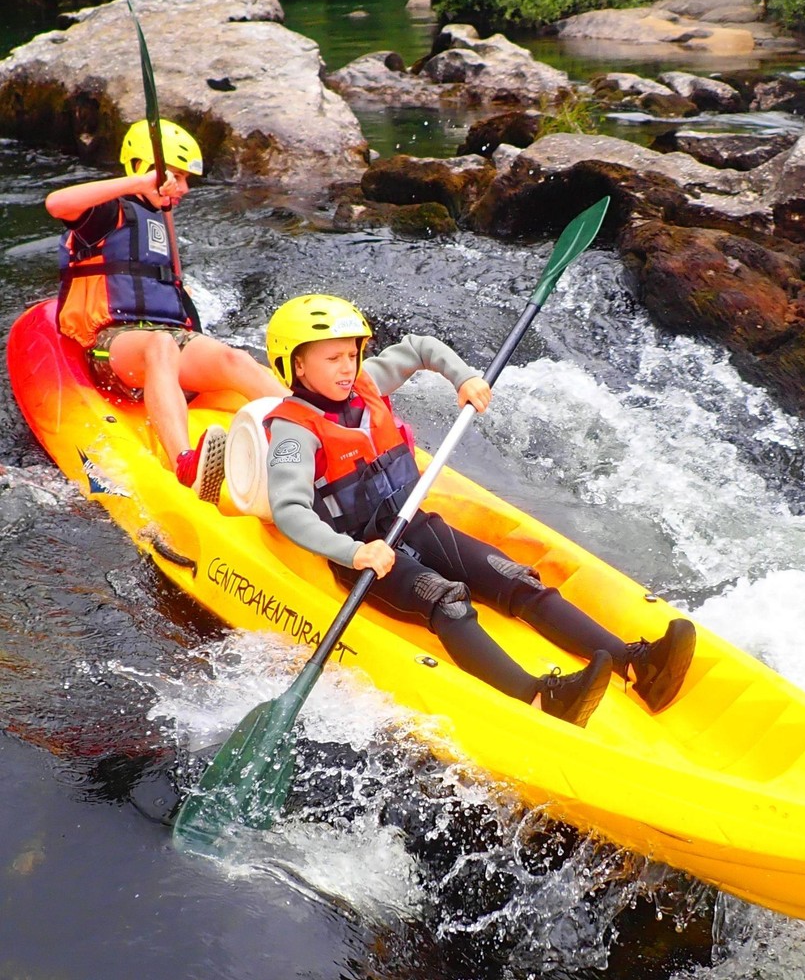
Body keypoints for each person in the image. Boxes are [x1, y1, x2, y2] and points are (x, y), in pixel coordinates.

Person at [262, 294, 696, 728]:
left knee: (514, 577)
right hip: (364, 556)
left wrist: (464, 378)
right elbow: (290, 510)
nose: (347, 366)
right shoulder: (293, 433)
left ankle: (636, 665)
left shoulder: (365, 383)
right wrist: (354, 553)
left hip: (411, 523)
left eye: (352, 354)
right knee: (445, 599)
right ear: (297, 365)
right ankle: (539, 699)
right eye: (333, 358)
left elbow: (419, 347)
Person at [44, 118, 288, 502]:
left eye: (186, 179)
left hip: (170, 337)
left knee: (235, 360)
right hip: (114, 343)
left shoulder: (161, 222)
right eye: (175, 176)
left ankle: (315, 432)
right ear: (141, 167)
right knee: (160, 346)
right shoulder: (106, 214)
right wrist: (139, 183)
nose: (184, 188)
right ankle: (184, 463)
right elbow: (55, 203)